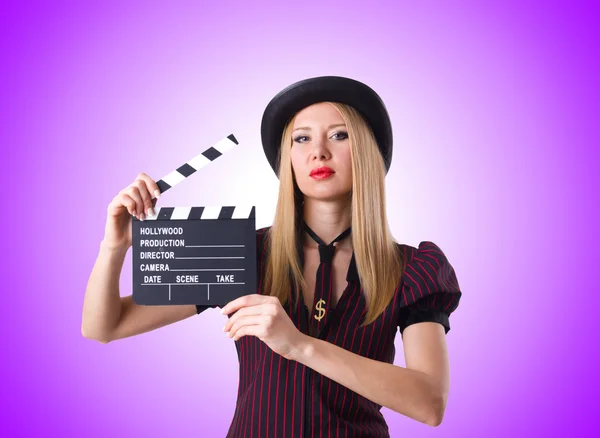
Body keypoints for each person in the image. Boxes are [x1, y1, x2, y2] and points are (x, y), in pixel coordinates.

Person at [82, 76, 462, 437]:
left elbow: (429, 402)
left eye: (339, 134)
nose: (319, 151)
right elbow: (104, 327)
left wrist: (299, 345)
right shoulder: (239, 249)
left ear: (366, 151)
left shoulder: (412, 268)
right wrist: (114, 247)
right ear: (288, 159)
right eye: (301, 138)